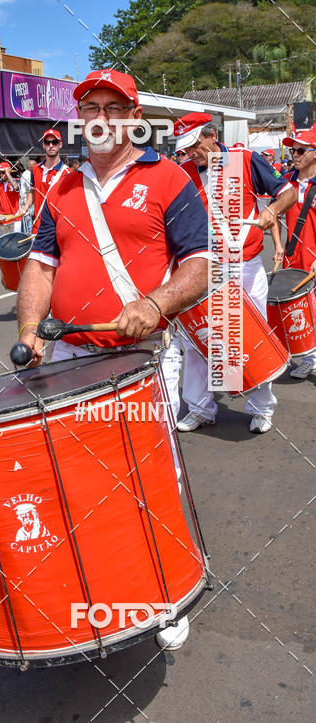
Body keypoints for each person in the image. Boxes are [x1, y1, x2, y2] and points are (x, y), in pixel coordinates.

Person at [17, 68, 212, 651]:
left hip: (142, 357)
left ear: (133, 117)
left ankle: (168, 595)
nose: (99, 118)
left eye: (112, 107)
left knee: (153, 478)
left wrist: (155, 302)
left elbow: (201, 263)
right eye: (90, 107)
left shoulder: (169, 178)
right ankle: (106, 585)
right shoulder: (63, 188)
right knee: (83, 479)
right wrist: (31, 330)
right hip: (72, 354)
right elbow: (40, 266)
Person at [174, 113, 295, 435]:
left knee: (250, 338)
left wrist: (271, 210)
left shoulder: (245, 160)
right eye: (185, 149)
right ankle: (200, 408)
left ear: (211, 135)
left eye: (195, 145)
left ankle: (261, 407)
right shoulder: (183, 173)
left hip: (245, 265)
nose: (191, 154)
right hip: (203, 270)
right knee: (199, 339)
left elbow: (288, 192)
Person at [272, 124, 316, 378]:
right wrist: (277, 245)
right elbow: (274, 214)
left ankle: (310, 357)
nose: (294, 155)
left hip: (313, 258)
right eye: (292, 150)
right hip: (291, 255)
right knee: (297, 309)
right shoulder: (286, 182)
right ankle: (301, 354)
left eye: (300, 150)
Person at [21, 128, 69, 234]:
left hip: (57, 228)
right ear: (43, 145)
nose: (51, 145)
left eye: (54, 142)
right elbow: (33, 192)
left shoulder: (67, 173)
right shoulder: (35, 169)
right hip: (38, 226)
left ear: (60, 144)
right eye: (47, 142)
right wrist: (26, 206)